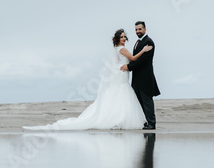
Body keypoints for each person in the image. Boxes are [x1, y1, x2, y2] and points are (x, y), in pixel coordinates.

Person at [23, 29, 152, 131]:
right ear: (118, 38)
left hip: (121, 73)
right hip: (122, 74)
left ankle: (118, 118)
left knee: (119, 94)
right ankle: (118, 119)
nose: (124, 38)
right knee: (121, 94)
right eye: (122, 36)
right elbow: (134, 58)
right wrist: (144, 50)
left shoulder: (116, 49)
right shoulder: (122, 49)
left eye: (125, 36)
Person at [120, 21, 160, 130]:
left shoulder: (149, 42)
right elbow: (135, 57)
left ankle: (151, 123)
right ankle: (145, 121)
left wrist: (129, 67)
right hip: (137, 78)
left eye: (140, 29)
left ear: (145, 29)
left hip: (145, 78)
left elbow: (142, 60)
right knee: (139, 101)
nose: (138, 31)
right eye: (136, 30)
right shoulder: (138, 42)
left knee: (147, 101)